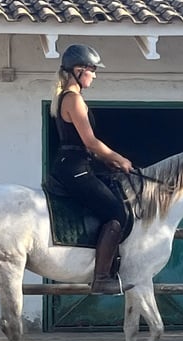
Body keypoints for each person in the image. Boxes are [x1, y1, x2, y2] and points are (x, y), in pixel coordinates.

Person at [49, 44, 133, 294]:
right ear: (78, 70)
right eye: (92, 70)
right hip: (75, 169)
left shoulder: (68, 96)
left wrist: (107, 161)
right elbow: (90, 141)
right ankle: (101, 278)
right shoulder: (73, 98)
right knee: (117, 212)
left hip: (76, 164)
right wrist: (121, 158)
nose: (94, 75)